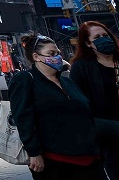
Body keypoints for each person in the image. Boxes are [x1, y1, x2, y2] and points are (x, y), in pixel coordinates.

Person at [10, 33, 101, 178]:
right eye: (51, 53)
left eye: (58, 53)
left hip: (89, 157)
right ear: (36, 56)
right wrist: (34, 152)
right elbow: (22, 117)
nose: (57, 57)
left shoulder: (68, 82)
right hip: (55, 161)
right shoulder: (26, 79)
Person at [67, 21, 119, 179]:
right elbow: (78, 105)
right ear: (88, 43)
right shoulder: (82, 67)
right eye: (97, 37)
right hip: (115, 138)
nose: (103, 39)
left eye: (105, 35)